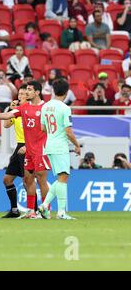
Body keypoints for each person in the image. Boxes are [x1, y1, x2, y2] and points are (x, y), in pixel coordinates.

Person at [0, 81, 50, 219]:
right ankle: (31, 211)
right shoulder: (23, 108)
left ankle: (45, 209)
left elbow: (49, 130)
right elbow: (7, 117)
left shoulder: (46, 108)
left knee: (41, 180)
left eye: (29, 90)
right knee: (28, 180)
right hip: (28, 150)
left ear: (37, 92)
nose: (26, 92)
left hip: (41, 150)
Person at [38, 78, 81, 220]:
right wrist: (76, 145)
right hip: (60, 146)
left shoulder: (45, 106)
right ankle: (61, 212)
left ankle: (44, 206)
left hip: (49, 145)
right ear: (67, 92)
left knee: (61, 177)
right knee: (63, 177)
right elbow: (68, 131)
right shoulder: (65, 108)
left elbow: (43, 128)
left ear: (53, 90)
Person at [1, 85, 28, 218]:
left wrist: (29, 146)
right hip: (19, 146)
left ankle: (32, 210)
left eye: (23, 94)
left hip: (28, 146)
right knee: (7, 179)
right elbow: (6, 125)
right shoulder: (16, 112)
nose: (20, 96)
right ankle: (14, 209)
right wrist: (11, 110)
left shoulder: (30, 111)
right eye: (19, 94)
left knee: (27, 181)